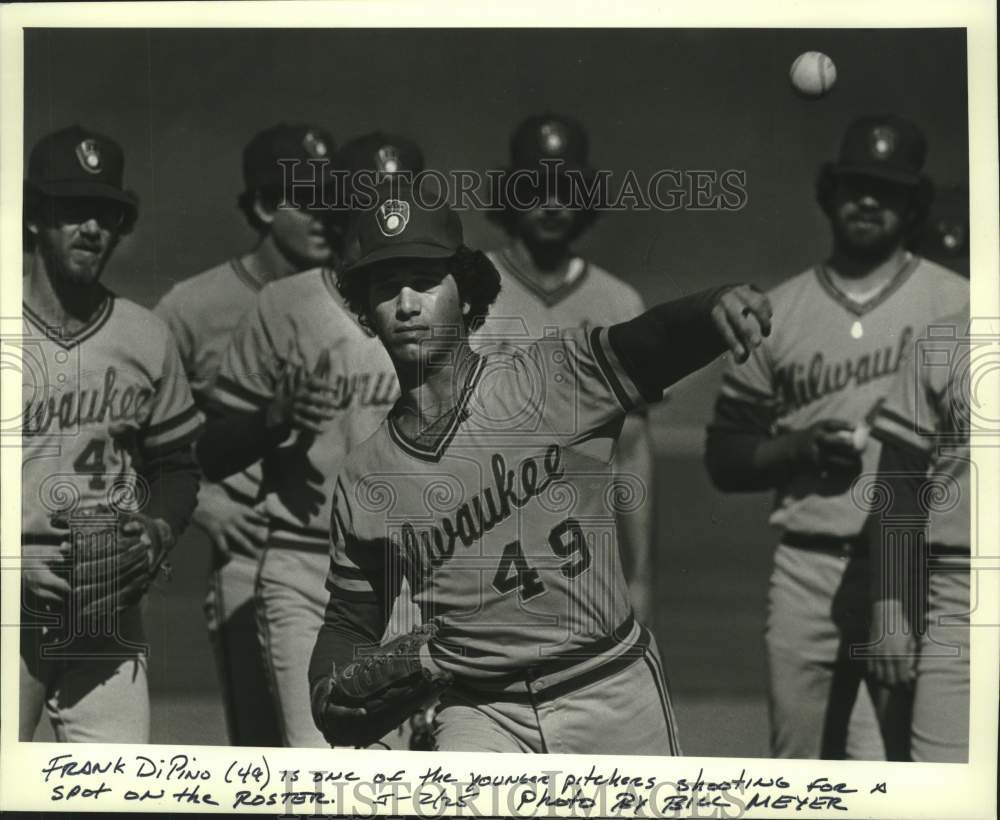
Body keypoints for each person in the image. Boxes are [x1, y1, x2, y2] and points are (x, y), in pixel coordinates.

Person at [308, 180, 771, 754]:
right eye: (384, 287)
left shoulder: (549, 378)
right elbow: (352, 617)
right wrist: (324, 682)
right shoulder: (365, 475)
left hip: (607, 684)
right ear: (365, 312)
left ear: (467, 293)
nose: (406, 305)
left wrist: (712, 306)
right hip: (481, 711)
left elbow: (648, 344)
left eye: (426, 283)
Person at [704, 114, 969, 759]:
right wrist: (797, 448)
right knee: (799, 766)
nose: (870, 201)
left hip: (919, 571)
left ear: (914, 204)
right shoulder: (780, 311)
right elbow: (726, 456)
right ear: (830, 192)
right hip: (811, 564)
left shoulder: (954, 303)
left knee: (906, 766)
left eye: (889, 188)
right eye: (856, 185)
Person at [195, 133, 423, 748]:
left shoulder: (438, 300)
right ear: (339, 205)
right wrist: (272, 418)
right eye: (370, 196)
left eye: (399, 194)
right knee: (326, 781)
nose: (385, 209)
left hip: (420, 574)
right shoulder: (285, 305)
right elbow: (211, 450)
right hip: (305, 570)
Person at [154, 122, 335, 747]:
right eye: (304, 198)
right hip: (248, 552)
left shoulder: (355, 296)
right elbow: (132, 424)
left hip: (336, 555)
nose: (324, 213)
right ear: (262, 206)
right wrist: (207, 505)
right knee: (262, 753)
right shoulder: (193, 305)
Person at [20, 125, 202, 742]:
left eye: (106, 214)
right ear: (33, 219)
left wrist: (156, 532)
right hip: (12, 592)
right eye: (74, 211)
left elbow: (177, 466)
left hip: (106, 599)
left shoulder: (145, 335)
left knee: (119, 792)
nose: (93, 229)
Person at [478, 113, 654, 619]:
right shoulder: (468, 287)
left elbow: (634, 449)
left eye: (565, 187)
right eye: (536, 187)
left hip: (586, 554)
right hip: (480, 545)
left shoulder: (618, 302)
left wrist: (642, 578)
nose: (552, 203)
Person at [863, 306, 972, 762]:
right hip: (961, 590)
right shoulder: (947, 336)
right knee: (939, 781)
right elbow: (901, 482)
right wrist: (890, 603)